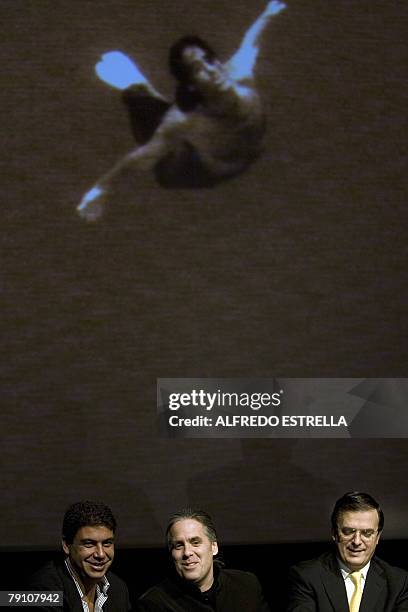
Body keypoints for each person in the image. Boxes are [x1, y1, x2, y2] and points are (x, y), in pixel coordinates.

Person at [77, 1, 286, 221]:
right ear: (191, 84)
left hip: (240, 157)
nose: (212, 70)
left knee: (169, 125)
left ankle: (151, 97)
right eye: (198, 68)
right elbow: (142, 157)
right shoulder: (185, 121)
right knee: (162, 171)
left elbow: (251, 41)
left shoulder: (240, 71)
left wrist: (269, 12)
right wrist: (102, 188)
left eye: (209, 60)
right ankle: (137, 90)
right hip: (200, 168)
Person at [287, 492, 408, 612]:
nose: (357, 541)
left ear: (377, 537)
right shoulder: (307, 576)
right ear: (335, 533)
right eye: (348, 531)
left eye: (367, 533)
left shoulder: (398, 582)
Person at [137, 508, 271, 611]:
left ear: (214, 547)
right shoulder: (154, 604)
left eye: (195, 542)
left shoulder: (246, 585)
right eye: (178, 545)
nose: (187, 552)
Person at [29, 500, 130, 611]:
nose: (100, 554)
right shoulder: (43, 589)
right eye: (89, 544)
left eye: (107, 543)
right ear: (67, 545)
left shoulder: (118, 588)